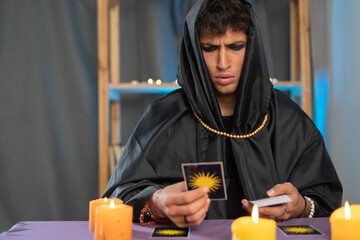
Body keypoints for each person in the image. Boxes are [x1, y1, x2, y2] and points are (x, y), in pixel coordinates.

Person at [103, 0, 342, 228]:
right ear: (195, 52)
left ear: (251, 47)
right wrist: (156, 202)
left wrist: (301, 206)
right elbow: (117, 196)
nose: (223, 63)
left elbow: (325, 200)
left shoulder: (288, 119)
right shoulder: (163, 117)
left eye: (235, 46)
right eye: (209, 48)